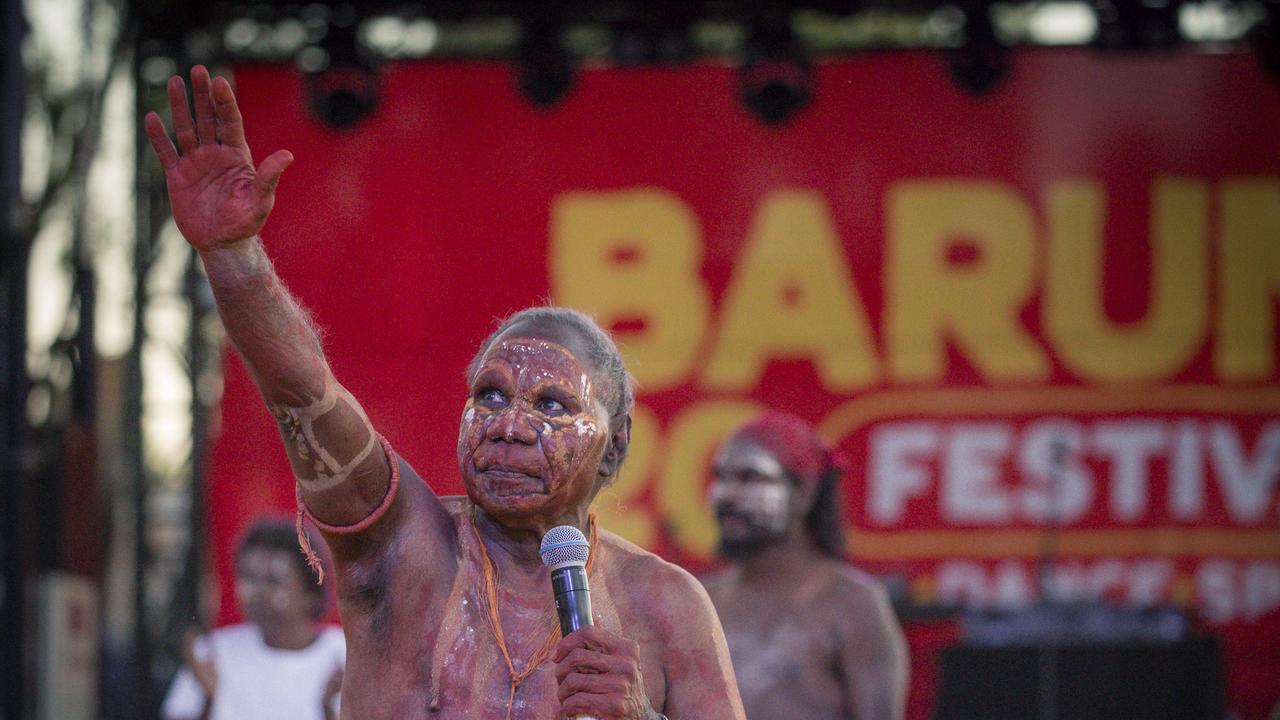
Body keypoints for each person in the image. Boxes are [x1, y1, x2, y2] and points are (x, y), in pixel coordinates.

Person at [143, 65, 743, 720]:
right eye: (488, 396)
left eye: (550, 405)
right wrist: (233, 256)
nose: (508, 425)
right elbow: (301, 391)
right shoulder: (398, 545)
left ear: (615, 440)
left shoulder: (665, 606)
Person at [701, 411, 910, 720]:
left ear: (803, 493)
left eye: (749, 478)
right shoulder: (699, 598)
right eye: (720, 477)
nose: (727, 495)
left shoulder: (853, 604)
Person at [162, 518, 345, 720]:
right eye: (249, 577)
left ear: (311, 593)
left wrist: (328, 709)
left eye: (274, 580)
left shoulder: (345, 658)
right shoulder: (212, 654)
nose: (258, 592)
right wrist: (209, 699)